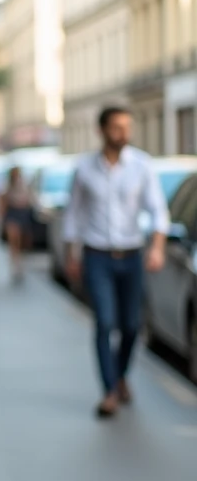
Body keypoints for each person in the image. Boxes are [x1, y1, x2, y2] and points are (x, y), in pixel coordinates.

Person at [62, 107, 168, 419]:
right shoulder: (84, 168)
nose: (124, 133)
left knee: (132, 326)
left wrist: (157, 248)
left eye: (127, 127)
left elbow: (158, 211)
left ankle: (120, 375)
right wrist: (71, 254)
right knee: (105, 322)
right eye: (117, 127)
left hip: (132, 255)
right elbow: (73, 214)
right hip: (97, 256)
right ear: (102, 130)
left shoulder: (142, 165)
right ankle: (108, 391)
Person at [0, 165, 33, 283]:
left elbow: (30, 199)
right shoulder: (7, 186)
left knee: (20, 242)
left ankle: (19, 264)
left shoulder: (24, 184)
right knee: (13, 239)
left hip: (22, 214)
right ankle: (14, 264)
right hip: (12, 214)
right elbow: (3, 201)